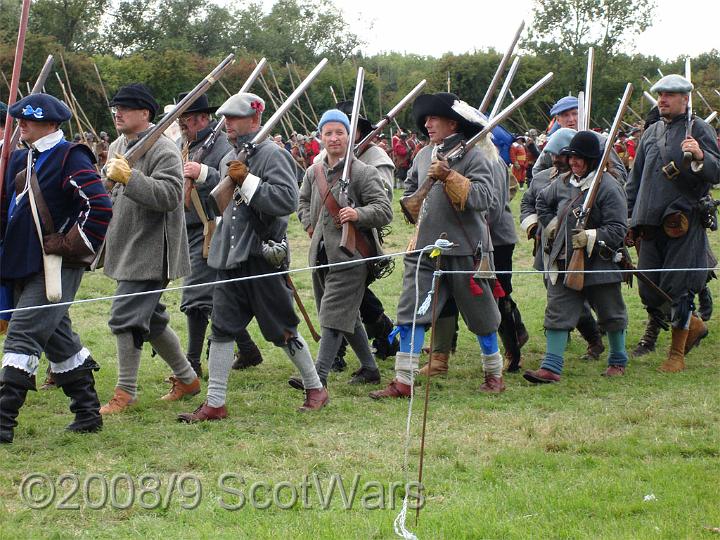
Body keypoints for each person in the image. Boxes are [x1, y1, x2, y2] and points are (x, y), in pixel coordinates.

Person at [178, 93, 327, 422]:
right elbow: (224, 206)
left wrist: (248, 180)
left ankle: (315, 387)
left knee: (283, 329)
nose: (227, 123)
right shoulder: (228, 157)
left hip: (261, 256)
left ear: (255, 120)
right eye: (226, 118)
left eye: (234, 118)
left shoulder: (273, 155)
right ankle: (215, 402)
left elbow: (286, 201)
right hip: (230, 257)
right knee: (221, 328)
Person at [371, 92, 503, 397]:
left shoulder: (475, 157)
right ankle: (404, 380)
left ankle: (494, 374)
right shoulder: (421, 156)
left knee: (483, 316)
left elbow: (485, 200)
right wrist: (412, 201)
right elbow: (412, 197)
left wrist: (450, 176)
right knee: (410, 312)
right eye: (426, 119)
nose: (427, 124)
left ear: (452, 123)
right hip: (425, 249)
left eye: (434, 118)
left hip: (466, 250)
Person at [0, 93, 112, 443]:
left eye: (28, 120)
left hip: (53, 265)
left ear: (50, 123)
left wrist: (69, 245)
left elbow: (98, 206)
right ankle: (87, 411)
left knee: (21, 336)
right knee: (57, 338)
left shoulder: (70, 156)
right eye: (19, 119)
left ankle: (3, 421)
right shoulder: (19, 158)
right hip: (19, 263)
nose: (21, 125)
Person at [100, 83, 200, 414]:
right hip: (127, 244)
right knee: (151, 319)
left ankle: (125, 391)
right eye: (116, 107)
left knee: (125, 317)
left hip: (152, 250)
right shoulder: (118, 144)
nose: (118, 113)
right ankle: (187, 379)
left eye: (125, 108)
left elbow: (171, 198)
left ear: (145, 114)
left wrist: (131, 179)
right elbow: (110, 190)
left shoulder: (163, 150)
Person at [626, 74, 719, 372]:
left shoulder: (700, 128)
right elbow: (635, 179)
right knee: (650, 289)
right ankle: (693, 324)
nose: (663, 99)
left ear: (685, 99)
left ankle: (676, 354)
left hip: (683, 221)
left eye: (670, 95)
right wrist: (629, 218)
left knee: (678, 287)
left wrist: (700, 156)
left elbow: (716, 172)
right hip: (649, 222)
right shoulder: (651, 132)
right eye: (661, 94)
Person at [294, 109, 393, 389]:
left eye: (340, 132)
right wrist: (310, 226)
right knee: (347, 315)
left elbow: (384, 210)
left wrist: (357, 215)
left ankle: (317, 378)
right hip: (321, 255)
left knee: (332, 316)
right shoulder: (314, 172)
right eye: (328, 133)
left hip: (352, 256)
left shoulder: (363, 172)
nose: (334, 138)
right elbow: (302, 202)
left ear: (349, 137)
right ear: (321, 137)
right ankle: (370, 369)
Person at [524, 131, 629, 384]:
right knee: (558, 311)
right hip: (564, 259)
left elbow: (618, 229)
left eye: (580, 158)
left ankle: (618, 360)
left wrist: (590, 236)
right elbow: (542, 202)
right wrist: (549, 226)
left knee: (611, 313)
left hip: (600, 261)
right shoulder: (561, 182)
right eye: (572, 157)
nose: (574, 162)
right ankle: (550, 367)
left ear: (592, 160)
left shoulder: (608, 186)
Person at [175, 92, 264, 377]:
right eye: (180, 120)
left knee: (195, 298)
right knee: (216, 298)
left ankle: (191, 364)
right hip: (187, 227)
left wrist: (204, 173)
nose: (182, 125)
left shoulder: (223, 145)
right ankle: (248, 349)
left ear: (203, 119)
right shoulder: (182, 145)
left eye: (187, 119)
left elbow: (232, 182)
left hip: (211, 227)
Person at [521, 128, 606, 361]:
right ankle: (582, 339)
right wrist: (540, 227)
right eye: (553, 157)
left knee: (586, 297)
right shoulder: (542, 179)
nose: (556, 161)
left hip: (586, 250)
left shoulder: (596, 182)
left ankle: (598, 337)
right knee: (557, 297)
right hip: (550, 250)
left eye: (561, 156)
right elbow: (528, 204)